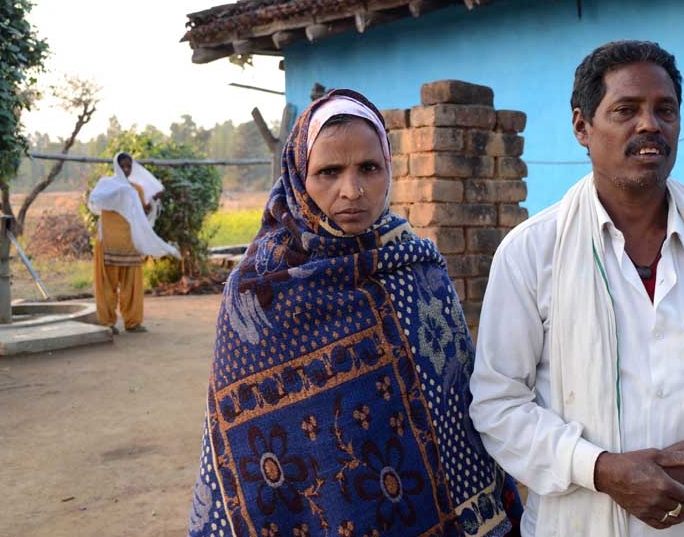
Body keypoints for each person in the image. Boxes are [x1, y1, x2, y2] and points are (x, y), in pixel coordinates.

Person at [469, 40, 684, 537]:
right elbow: (498, 404)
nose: (649, 124)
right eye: (626, 110)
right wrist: (601, 469)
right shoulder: (530, 253)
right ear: (582, 127)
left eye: (663, 110)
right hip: (578, 523)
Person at [187, 89, 522, 537]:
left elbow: (456, 410)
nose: (352, 190)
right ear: (298, 177)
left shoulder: (418, 267)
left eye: (369, 167)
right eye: (328, 171)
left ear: (389, 167)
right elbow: (245, 450)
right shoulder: (258, 290)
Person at [87, 152, 177, 334]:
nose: (126, 170)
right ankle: (107, 323)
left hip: (130, 242)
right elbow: (96, 200)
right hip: (109, 243)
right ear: (116, 166)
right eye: (123, 166)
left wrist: (154, 201)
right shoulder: (106, 185)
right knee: (106, 285)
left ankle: (133, 322)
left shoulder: (137, 189)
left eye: (129, 166)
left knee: (132, 285)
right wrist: (122, 191)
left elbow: (143, 214)